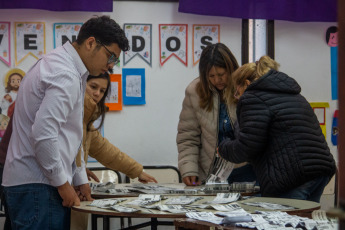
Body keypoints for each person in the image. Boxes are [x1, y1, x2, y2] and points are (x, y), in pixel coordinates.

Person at [2, 15, 129, 229]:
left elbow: (70, 134)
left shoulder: (59, 64)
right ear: (91, 43)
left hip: (32, 183)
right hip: (39, 185)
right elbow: (44, 134)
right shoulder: (65, 74)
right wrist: (63, 184)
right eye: (110, 56)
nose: (110, 65)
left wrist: (79, 179)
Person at [218, 55, 336, 202]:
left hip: (292, 175)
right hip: (320, 170)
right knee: (304, 222)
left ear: (247, 83)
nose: (238, 97)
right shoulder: (294, 95)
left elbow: (247, 147)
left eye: (237, 91)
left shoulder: (252, 97)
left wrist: (223, 148)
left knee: (286, 223)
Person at [177, 43, 256, 186]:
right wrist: (189, 168)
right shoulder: (194, 91)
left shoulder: (245, 88)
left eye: (221, 75)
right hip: (211, 171)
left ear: (231, 69)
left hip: (246, 169)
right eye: (211, 76)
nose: (217, 80)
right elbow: (188, 136)